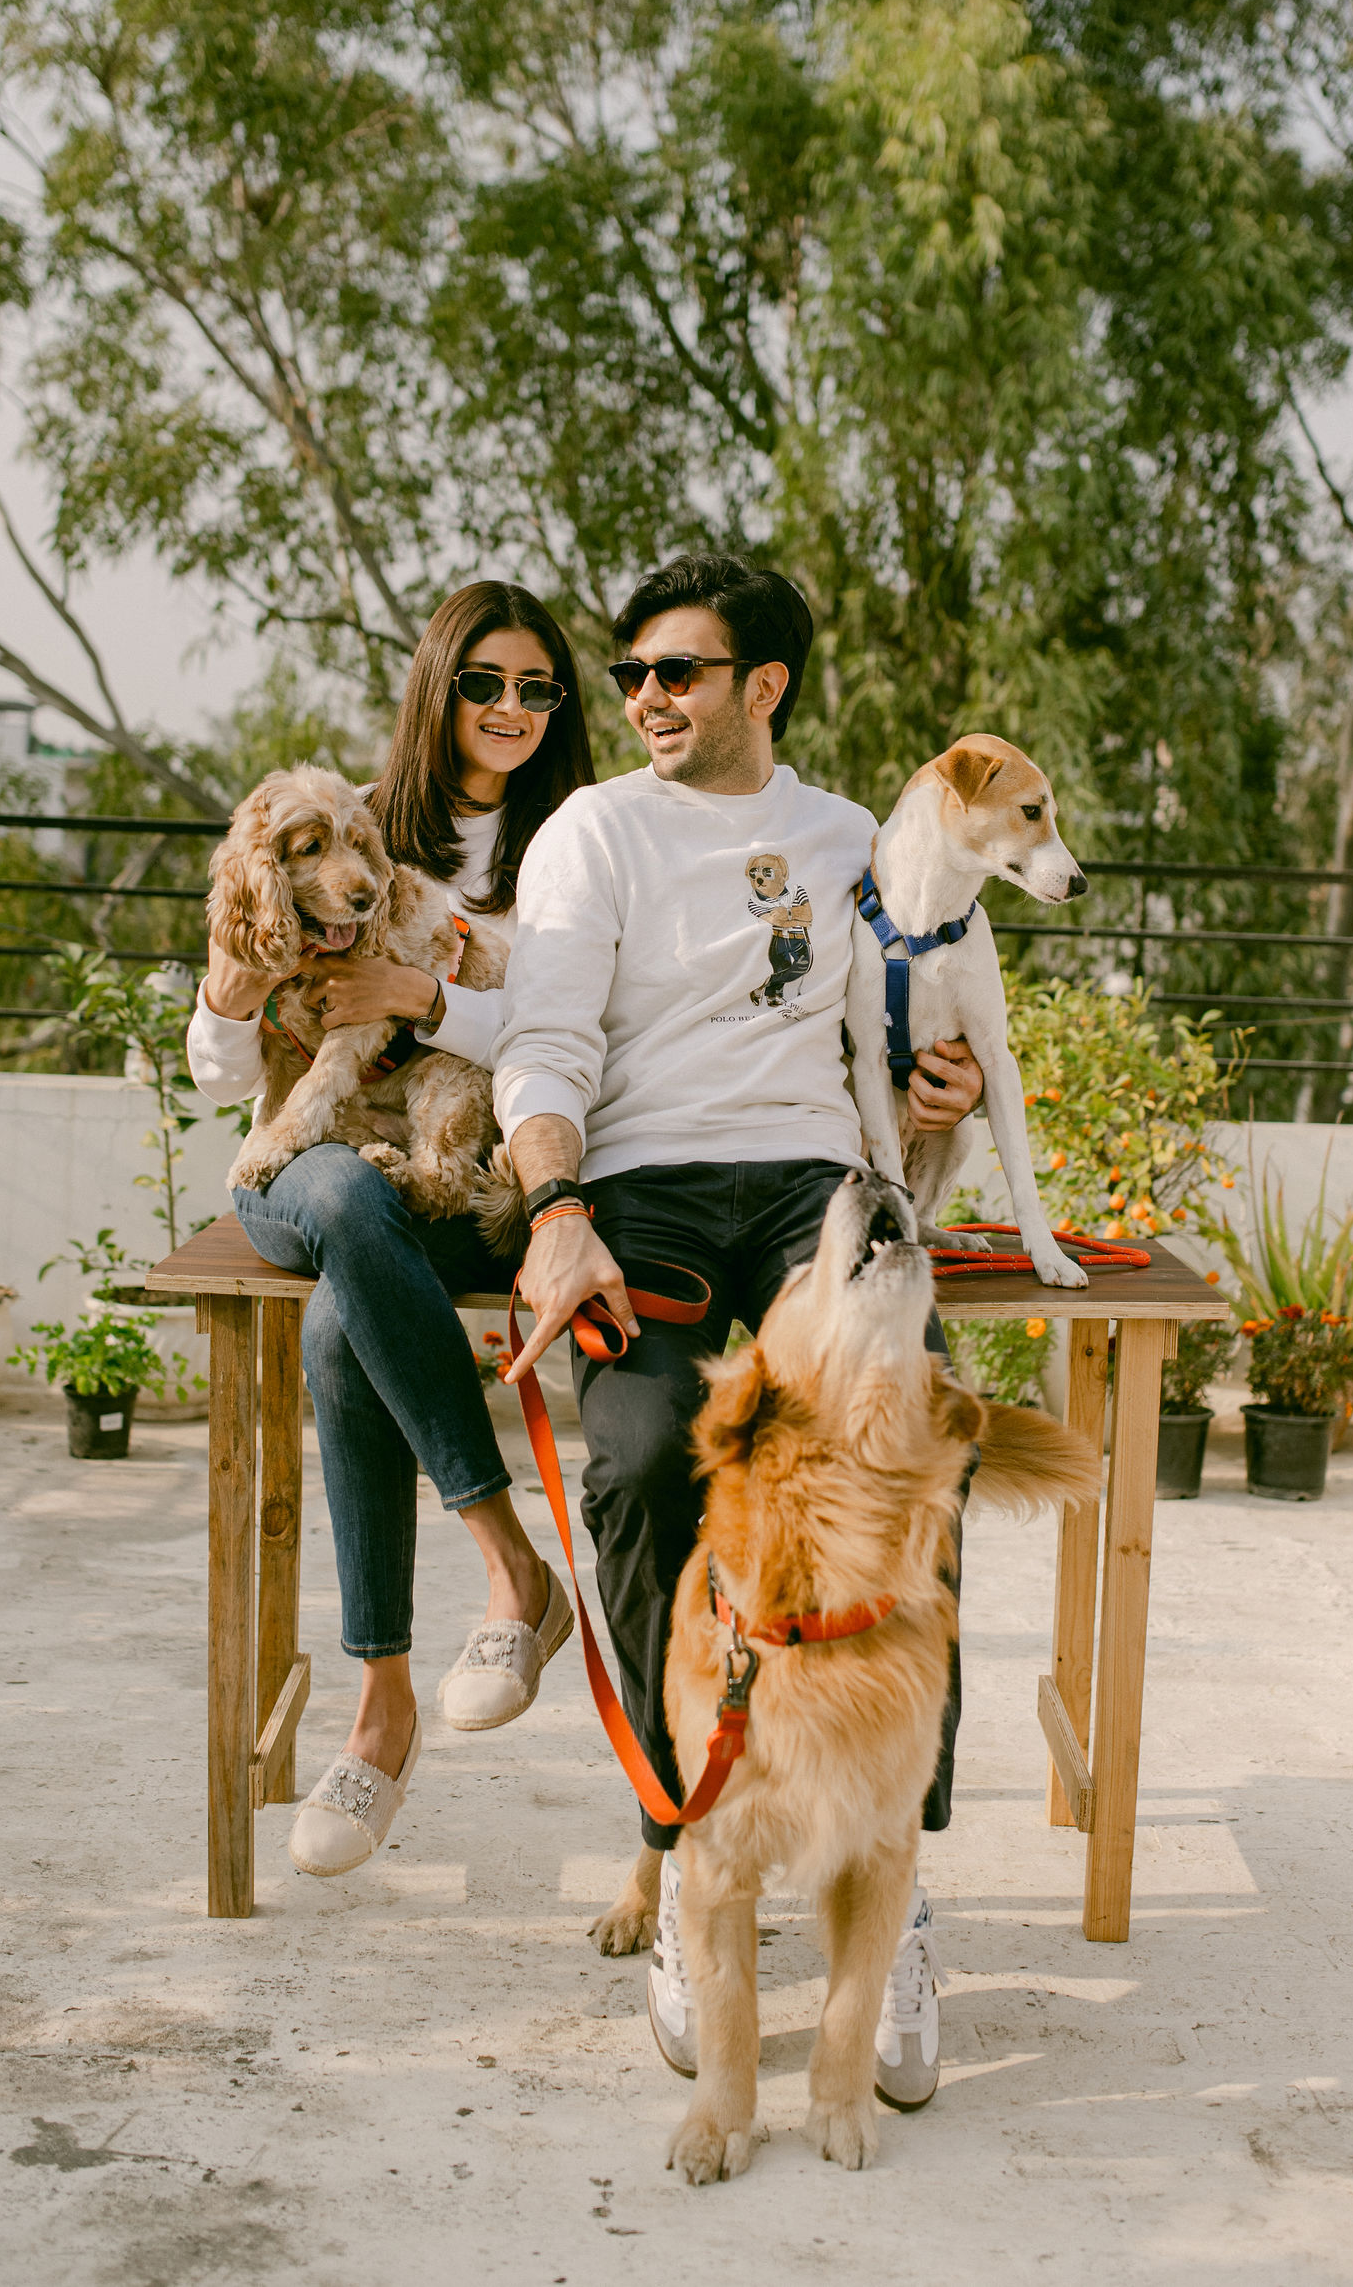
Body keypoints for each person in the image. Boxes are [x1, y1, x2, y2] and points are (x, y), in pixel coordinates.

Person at [492, 553, 984, 2111]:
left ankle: (894, 1889)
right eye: (632, 671)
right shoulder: (596, 831)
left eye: (677, 671)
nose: (641, 696)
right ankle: (679, 1831)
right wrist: (558, 1212)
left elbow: (899, 1075)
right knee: (640, 1468)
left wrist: (937, 1114)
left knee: (912, 1465)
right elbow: (546, 1041)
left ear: (762, 686)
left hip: (812, 1191)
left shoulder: (853, 842)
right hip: (639, 1188)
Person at [186, 581, 596, 1877]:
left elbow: (568, 1039)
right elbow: (211, 1069)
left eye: (539, 688)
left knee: (340, 1309)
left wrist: (420, 992)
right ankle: (511, 1566)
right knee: (348, 1207)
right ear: (438, 688)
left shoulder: (582, 848)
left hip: (462, 1169)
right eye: (486, 682)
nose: (512, 709)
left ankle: (381, 1713)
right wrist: (228, 990)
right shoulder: (345, 821)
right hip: (298, 1163)